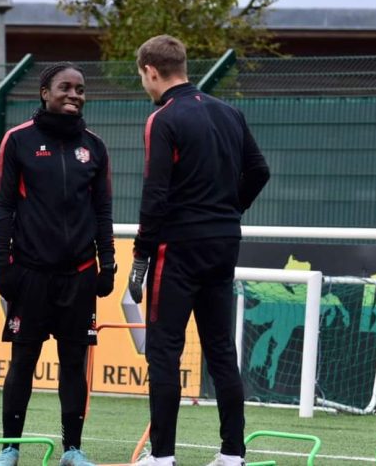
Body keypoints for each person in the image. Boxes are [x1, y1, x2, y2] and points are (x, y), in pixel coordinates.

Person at [127, 35, 270, 466]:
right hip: (224, 242)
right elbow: (259, 171)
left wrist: (140, 256)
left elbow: (155, 196)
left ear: (151, 70)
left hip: (179, 247)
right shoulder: (229, 112)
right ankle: (232, 455)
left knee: (164, 350)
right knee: (220, 347)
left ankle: (162, 457)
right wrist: (229, 210)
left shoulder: (163, 118)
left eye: (143, 77)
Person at [0, 62, 116, 466]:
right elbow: (4, 207)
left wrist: (108, 262)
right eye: (65, 87)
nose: (74, 94)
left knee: (74, 364)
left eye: (80, 89)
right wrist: (2, 265)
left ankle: (72, 450)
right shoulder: (17, 141)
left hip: (79, 275)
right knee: (23, 361)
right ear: (45, 92)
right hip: (30, 273)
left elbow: (102, 211)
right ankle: (10, 448)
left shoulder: (94, 147)